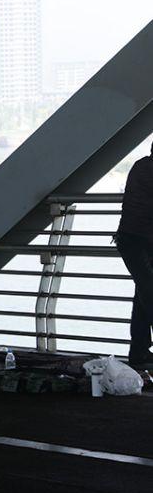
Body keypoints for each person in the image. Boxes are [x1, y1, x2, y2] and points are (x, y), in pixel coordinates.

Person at [116, 145, 153, 369]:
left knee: (144, 295)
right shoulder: (148, 170)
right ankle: (138, 351)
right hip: (138, 242)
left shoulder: (141, 166)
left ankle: (139, 351)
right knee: (149, 293)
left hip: (134, 240)